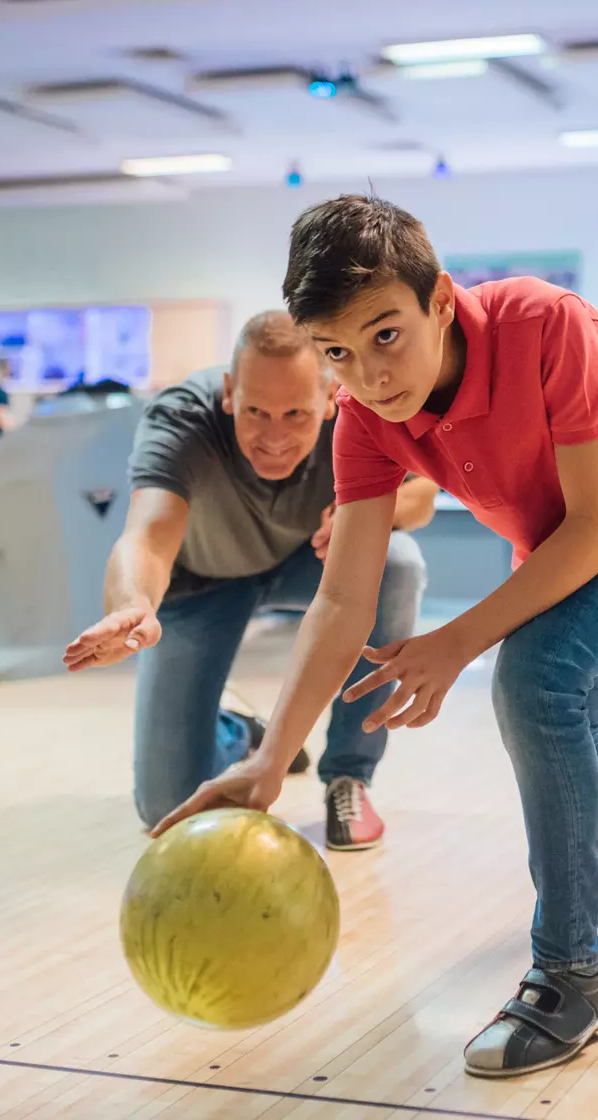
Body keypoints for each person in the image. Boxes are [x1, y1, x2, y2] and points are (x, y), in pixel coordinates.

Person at [150, 195, 598, 1079]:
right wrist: (271, 763)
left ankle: (574, 975)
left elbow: (596, 529)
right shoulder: (365, 419)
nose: (370, 376)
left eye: (386, 335)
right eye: (338, 353)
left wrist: (454, 644)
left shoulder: (545, 322)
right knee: (553, 697)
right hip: (551, 528)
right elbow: (342, 601)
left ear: (441, 301)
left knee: (534, 683)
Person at [62, 310, 435, 850]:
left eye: (296, 414)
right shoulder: (183, 417)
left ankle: (349, 777)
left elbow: (422, 495)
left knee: (395, 561)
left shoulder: (359, 407)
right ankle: (241, 732)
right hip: (203, 581)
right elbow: (145, 535)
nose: (275, 437)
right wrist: (133, 605)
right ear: (230, 393)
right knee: (167, 804)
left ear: (329, 398)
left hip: (308, 558)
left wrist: (370, 515)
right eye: (256, 411)